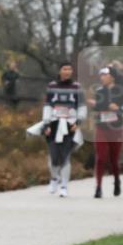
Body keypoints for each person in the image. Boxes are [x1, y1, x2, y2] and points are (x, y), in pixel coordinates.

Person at [87, 66, 123, 197]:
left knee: (114, 159)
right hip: (101, 127)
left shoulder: (121, 91)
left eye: (105, 75)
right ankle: (98, 187)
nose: (102, 77)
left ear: (112, 76)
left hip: (116, 128)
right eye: (101, 75)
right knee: (101, 158)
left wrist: (118, 108)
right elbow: (98, 109)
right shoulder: (99, 91)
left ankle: (117, 181)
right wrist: (94, 106)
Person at [41, 62, 86, 197]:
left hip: (69, 123)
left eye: (69, 69)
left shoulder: (77, 87)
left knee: (65, 156)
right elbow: (48, 105)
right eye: (64, 69)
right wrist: (46, 124)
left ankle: (64, 186)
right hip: (54, 123)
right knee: (53, 156)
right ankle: (55, 178)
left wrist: (78, 122)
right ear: (60, 71)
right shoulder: (52, 86)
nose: (67, 71)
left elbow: (82, 106)